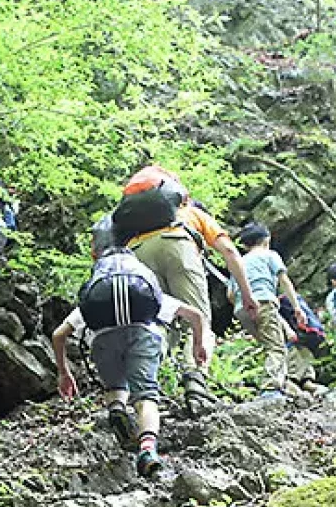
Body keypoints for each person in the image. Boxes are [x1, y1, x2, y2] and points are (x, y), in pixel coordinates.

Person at [116, 165, 259, 415]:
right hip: (177, 245)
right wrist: (247, 294)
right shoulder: (191, 213)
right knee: (198, 321)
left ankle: (143, 386)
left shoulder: (135, 226)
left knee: (158, 324)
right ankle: (196, 385)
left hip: (138, 254)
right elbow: (229, 251)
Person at [51, 249, 208, 477]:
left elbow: (58, 335)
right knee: (146, 397)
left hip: (103, 341)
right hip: (143, 336)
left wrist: (64, 373)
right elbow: (195, 315)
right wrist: (198, 345)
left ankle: (117, 408)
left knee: (115, 386)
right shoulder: (142, 288)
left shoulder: (97, 297)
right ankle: (147, 450)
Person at [225, 223, 307, 399]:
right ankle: (270, 389)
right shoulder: (270, 255)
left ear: (245, 245)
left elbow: (230, 294)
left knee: (271, 346)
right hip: (263, 302)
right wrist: (297, 307)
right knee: (276, 348)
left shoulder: (239, 262)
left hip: (241, 309)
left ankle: (284, 385)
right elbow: (284, 281)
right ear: (267, 239)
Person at [278, 293, 327, 392]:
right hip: (298, 331)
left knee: (302, 352)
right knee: (296, 352)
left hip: (294, 332)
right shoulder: (287, 297)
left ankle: (305, 381)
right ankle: (294, 382)